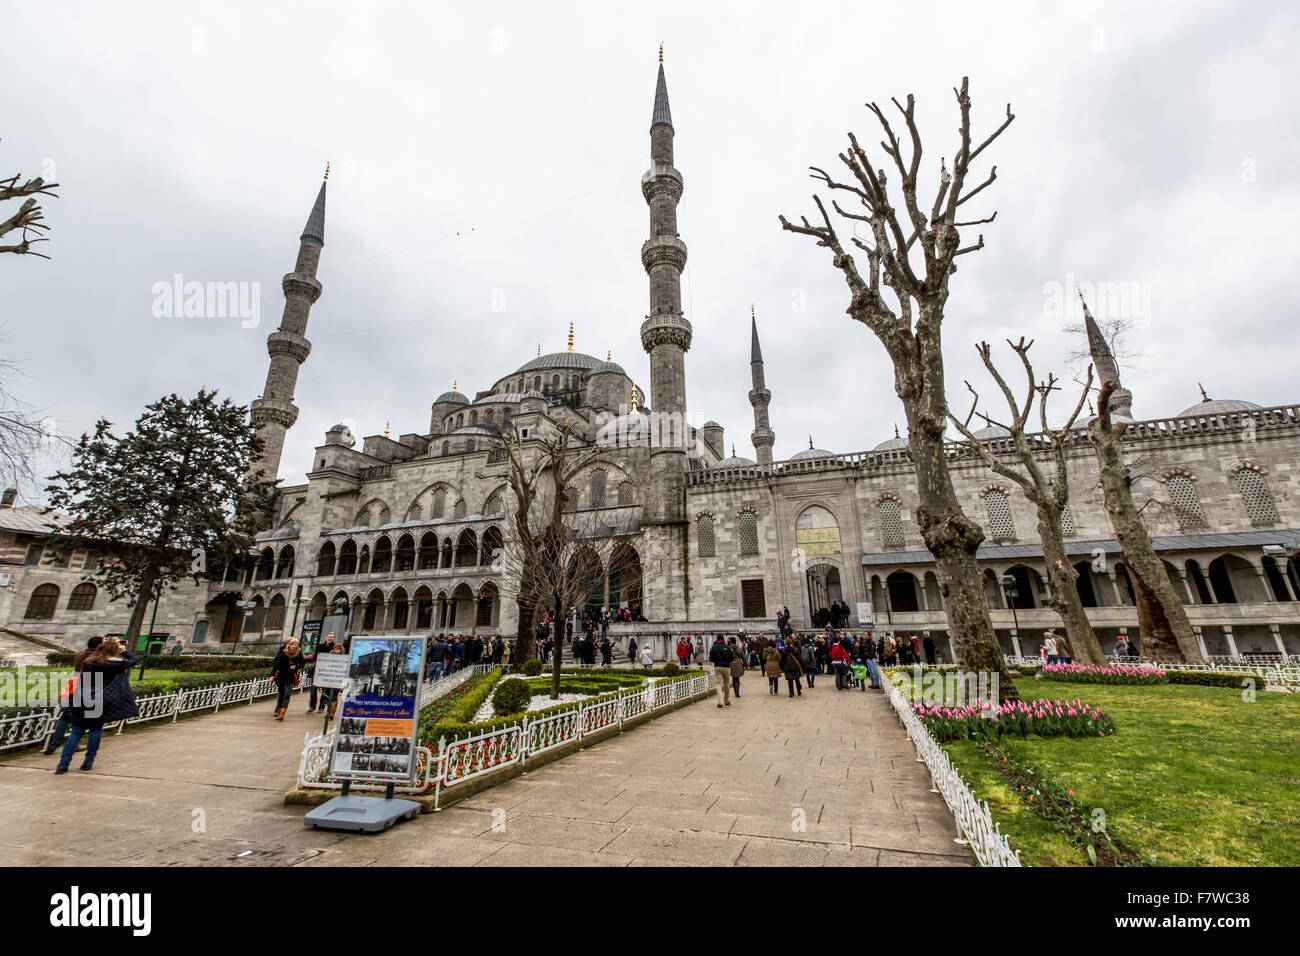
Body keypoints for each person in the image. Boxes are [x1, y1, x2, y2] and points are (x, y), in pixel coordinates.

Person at [54, 637, 138, 774]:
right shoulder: (115, 664)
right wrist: (123, 651)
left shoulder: (89, 662)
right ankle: (88, 762)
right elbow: (133, 660)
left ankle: (62, 765)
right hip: (100, 701)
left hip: (82, 698)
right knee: (95, 731)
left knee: (75, 732)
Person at [44, 636, 103, 756]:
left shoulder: (80, 654)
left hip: (76, 685)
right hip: (90, 688)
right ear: (99, 646)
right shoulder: (98, 658)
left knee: (66, 716)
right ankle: (80, 746)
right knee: (91, 720)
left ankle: (54, 744)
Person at [270, 638, 307, 721]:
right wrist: (272, 675)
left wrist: (296, 667)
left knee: (287, 695)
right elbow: (276, 666)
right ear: (289, 645)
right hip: (281, 677)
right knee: (281, 695)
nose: (294, 646)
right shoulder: (283, 653)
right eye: (293, 644)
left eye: (296, 645)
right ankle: (279, 712)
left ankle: (282, 713)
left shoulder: (298, 654)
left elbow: (302, 664)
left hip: (290, 677)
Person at [307, 632, 338, 711]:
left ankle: (321, 706)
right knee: (313, 689)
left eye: (331, 637)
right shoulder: (320, 646)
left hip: (327, 671)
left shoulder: (335, 647)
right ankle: (312, 706)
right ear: (326, 637)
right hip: (318, 669)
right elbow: (315, 657)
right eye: (328, 636)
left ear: (333, 638)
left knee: (324, 690)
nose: (330, 638)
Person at [708, 636, 733, 707]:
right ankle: (727, 700)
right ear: (723, 639)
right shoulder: (727, 647)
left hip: (717, 667)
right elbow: (731, 657)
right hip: (726, 667)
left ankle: (720, 702)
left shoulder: (714, 647)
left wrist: (716, 660)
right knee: (727, 683)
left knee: (718, 684)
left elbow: (711, 659)